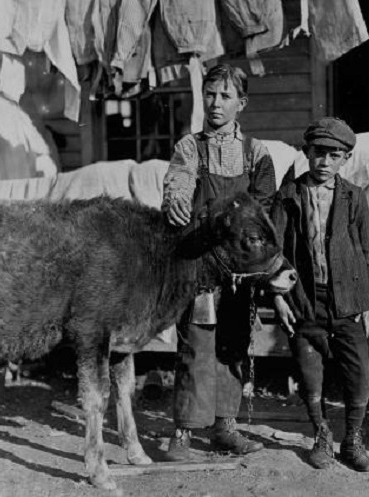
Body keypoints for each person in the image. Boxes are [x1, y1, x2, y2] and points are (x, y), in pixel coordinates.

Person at [160, 64, 276, 461]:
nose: (215, 103)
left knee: (233, 344)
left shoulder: (256, 153)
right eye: (210, 94)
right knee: (196, 344)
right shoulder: (190, 147)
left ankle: (225, 426)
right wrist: (175, 200)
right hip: (201, 267)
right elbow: (178, 182)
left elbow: (264, 209)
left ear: (240, 103)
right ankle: (184, 433)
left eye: (225, 96)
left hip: (240, 269)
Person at [271, 117, 369, 472]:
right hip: (305, 298)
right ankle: (320, 434)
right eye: (319, 153)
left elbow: (368, 248)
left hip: (347, 299)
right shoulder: (288, 196)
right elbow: (275, 249)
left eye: (335, 155)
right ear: (307, 152)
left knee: (360, 371)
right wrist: (278, 296)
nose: (325, 162)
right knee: (309, 372)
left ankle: (353, 438)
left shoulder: (354, 196)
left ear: (345, 158)